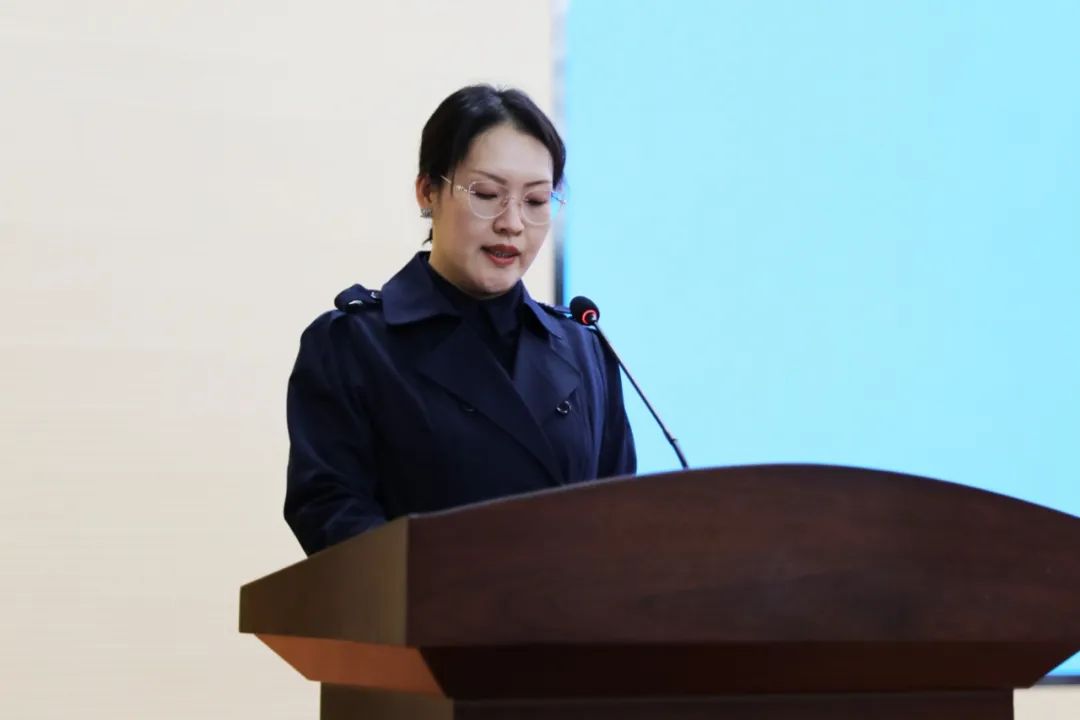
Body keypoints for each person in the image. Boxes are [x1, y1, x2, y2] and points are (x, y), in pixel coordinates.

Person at [284, 84, 636, 556]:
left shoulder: (584, 348)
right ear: (427, 191)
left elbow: (619, 518)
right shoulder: (354, 345)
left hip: (566, 606)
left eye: (536, 201)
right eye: (487, 194)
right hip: (431, 603)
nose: (512, 223)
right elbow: (330, 512)